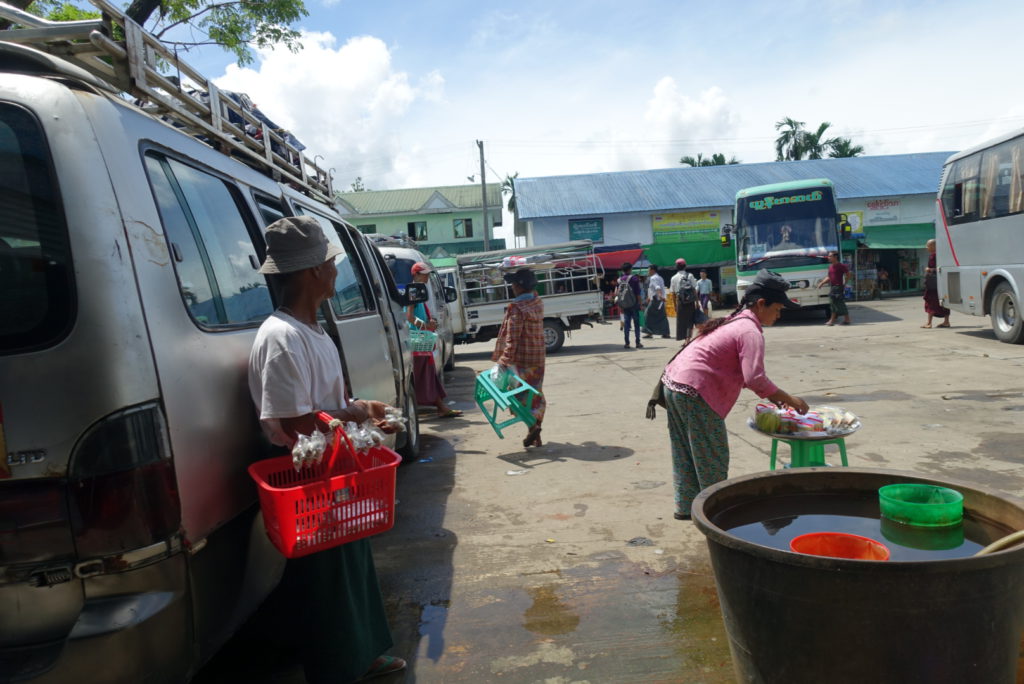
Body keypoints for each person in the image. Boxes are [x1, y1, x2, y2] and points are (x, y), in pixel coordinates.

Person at [247, 216, 406, 683]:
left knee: (351, 561)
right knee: (327, 577)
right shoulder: (281, 338)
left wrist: (364, 410)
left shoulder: (312, 332)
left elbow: (327, 405)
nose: (336, 272)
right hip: (312, 479)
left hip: (336, 470)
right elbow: (296, 420)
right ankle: (340, 665)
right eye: (332, 263)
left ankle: (363, 652)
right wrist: (349, 421)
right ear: (314, 270)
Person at [661, 269, 809, 520]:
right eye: (777, 308)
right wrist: (790, 399)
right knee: (712, 459)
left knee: (685, 453)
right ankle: (715, 516)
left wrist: (777, 397)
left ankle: (686, 508)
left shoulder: (735, 319)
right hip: (696, 392)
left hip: (673, 384)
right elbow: (755, 378)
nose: (779, 314)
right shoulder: (749, 330)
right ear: (761, 304)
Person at [492, 268, 547, 447]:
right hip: (538, 358)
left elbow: (512, 339)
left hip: (521, 361)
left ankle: (532, 427)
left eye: (514, 283)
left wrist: (503, 360)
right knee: (535, 395)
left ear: (519, 286)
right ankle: (535, 434)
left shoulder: (517, 309)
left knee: (515, 396)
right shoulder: (537, 302)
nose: (512, 286)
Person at [406, 262, 462, 417]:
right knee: (425, 376)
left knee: (428, 375)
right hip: (418, 341)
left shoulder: (419, 290)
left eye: (428, 274)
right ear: (416, 274)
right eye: (424, 274)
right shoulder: (413, 291)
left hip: (422, 340)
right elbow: (409, 317)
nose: (427, 277)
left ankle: (440, 407)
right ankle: (438, 407)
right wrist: (424, 326)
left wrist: (429, 324)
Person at [816, 251, 852, 326]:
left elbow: (848, 274)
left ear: (835, 257)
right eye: (828, 256)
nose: (828, 258)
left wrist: (844, 283)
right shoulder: (830, 267)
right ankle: (846, 319)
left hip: (838, 287)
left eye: (830, 256)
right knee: (836, 303)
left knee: (835, 303)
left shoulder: (841, 266)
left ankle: (832, 320)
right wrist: (822, 283)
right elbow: (829, 277)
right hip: (833, 287)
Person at [922, 239, 951, 328]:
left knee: (931, 302)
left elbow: (937, 268)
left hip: (933, 284)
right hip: (941, 282)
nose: (926, 247)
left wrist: (929, 270)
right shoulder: (941, 255)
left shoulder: (933, 256)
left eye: (928, 245)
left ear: (934, 246)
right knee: (944, 302)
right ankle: (946, 322)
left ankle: (929, 323)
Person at [669, 258, 699, 342]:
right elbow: (694, 290)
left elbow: (673, 294)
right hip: (690, 301)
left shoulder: (673, 278)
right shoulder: (690, 275)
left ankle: (684, 338)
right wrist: (697, 302)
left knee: (681, 321)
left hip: (680, 301)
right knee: (690, 320)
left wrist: (675, 305)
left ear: (676, 267)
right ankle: (688, 339)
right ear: (685, 266)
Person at [618, 262, 644, 348]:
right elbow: (638, 294)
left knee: (626, 324)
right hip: (634, 304)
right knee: (636, 324)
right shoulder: (634, 279)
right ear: (630, 269)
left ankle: (627, 343)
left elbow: (618, 293)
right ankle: (637, 342)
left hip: (625, 304)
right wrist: (640, 304)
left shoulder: (620, 279)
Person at [641, 264, 671, 339]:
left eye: (648, 270)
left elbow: (657, 287)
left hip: (656, 300)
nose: (648, 271)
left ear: (652, 270)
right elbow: (654, 289)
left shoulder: (653, 278)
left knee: (647, 315)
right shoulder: (659, 277)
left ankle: (649, 332)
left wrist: (660, 296)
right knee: (662, 316)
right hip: (659, 300)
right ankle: (665, 333)